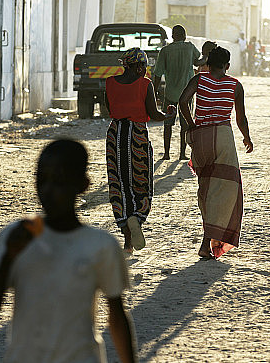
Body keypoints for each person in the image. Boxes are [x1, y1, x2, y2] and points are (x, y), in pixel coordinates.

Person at [0, 139, 137, 363]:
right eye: (41, 181)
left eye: (59, 181)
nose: (48, 190)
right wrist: (8, 257)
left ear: (82, 184)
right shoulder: (16, 238)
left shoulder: (100, 246)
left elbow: (116, 316)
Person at [179, 46, 253, 259]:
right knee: (224, 192)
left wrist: (191, 124)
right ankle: (207, 242)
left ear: (208, 64)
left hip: (201, 139)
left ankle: (207, 239)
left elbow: (183, 101)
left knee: (206, 188)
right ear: (227, 66)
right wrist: (247, 138)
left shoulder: (199, 79)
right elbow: (241, 118)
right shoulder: (235, 85)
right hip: (223, 137)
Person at [105, 47, 175, 253]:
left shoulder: (109, 83)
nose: (145, 69)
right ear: (136, 66)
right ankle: (137, 217)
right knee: (141, 182)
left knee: (119, 183)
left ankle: (127, 240)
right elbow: (154, 114)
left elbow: (110, 109)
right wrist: (168, 115)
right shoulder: (145, 84)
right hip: (137, 136)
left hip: (115, 135)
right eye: (143, 65)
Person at [152, 25, 202, 160]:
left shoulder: (165, 51)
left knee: (168, 124)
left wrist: (153, 91)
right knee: (185, 124)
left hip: (170, 94)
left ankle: (167, 153)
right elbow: (198, 62)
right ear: (184, 35)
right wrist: (209, 55)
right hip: (187, 93)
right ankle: (182, 154)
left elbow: (157, 74)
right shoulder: (190, 47)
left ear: (173, 36)